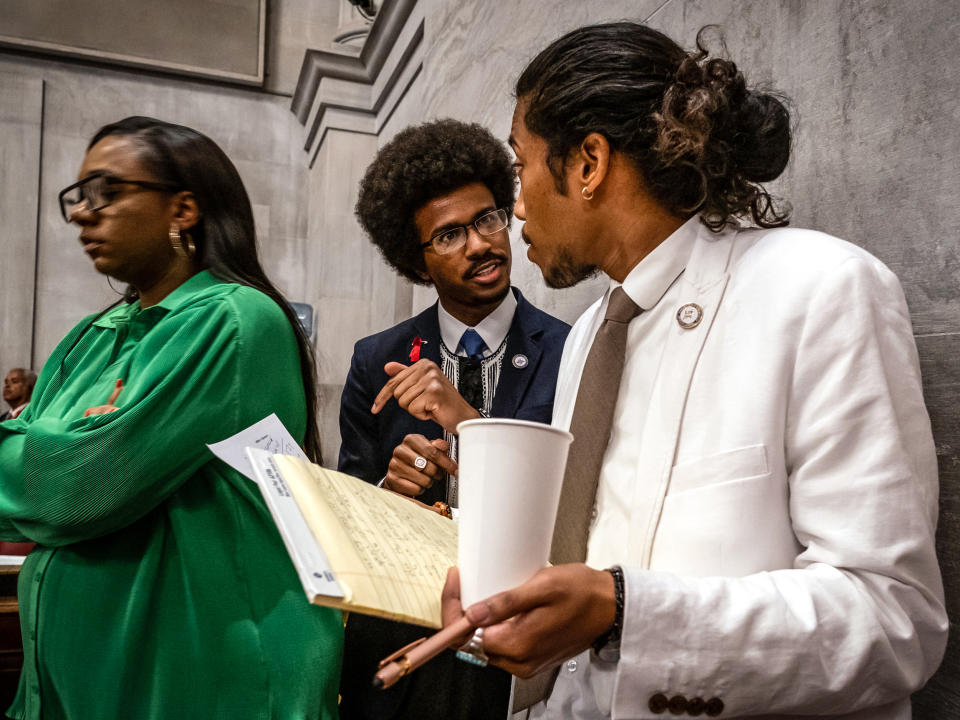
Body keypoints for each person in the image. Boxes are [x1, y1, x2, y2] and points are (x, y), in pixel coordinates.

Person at [440, 22, 947, 720]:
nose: (517, 205)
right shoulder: (588, 335)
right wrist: (500, 601)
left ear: (588, 163)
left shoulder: (822, 289)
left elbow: (894, 621)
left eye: (520, 165)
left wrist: (625, 612)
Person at [0, 117, 343, 720]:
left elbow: (74, 489)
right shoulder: (90, 335)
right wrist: (63, 445)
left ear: (183, 209)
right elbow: (43, 478)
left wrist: (57, 442)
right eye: (76, 196)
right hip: (84, 680)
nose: (83, 212)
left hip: (200, 672)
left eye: (106, 190)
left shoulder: (235, 319)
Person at [337, 119, 569, 720]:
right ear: (416, 264)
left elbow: (572, 505)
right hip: (406, 646)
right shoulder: (375, 360)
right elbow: (352, 509)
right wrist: (393, 490)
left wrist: (470, 424)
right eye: (448, 235)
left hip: (517, 643)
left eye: (487, 219)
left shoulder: (570, 350)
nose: (479, 245)